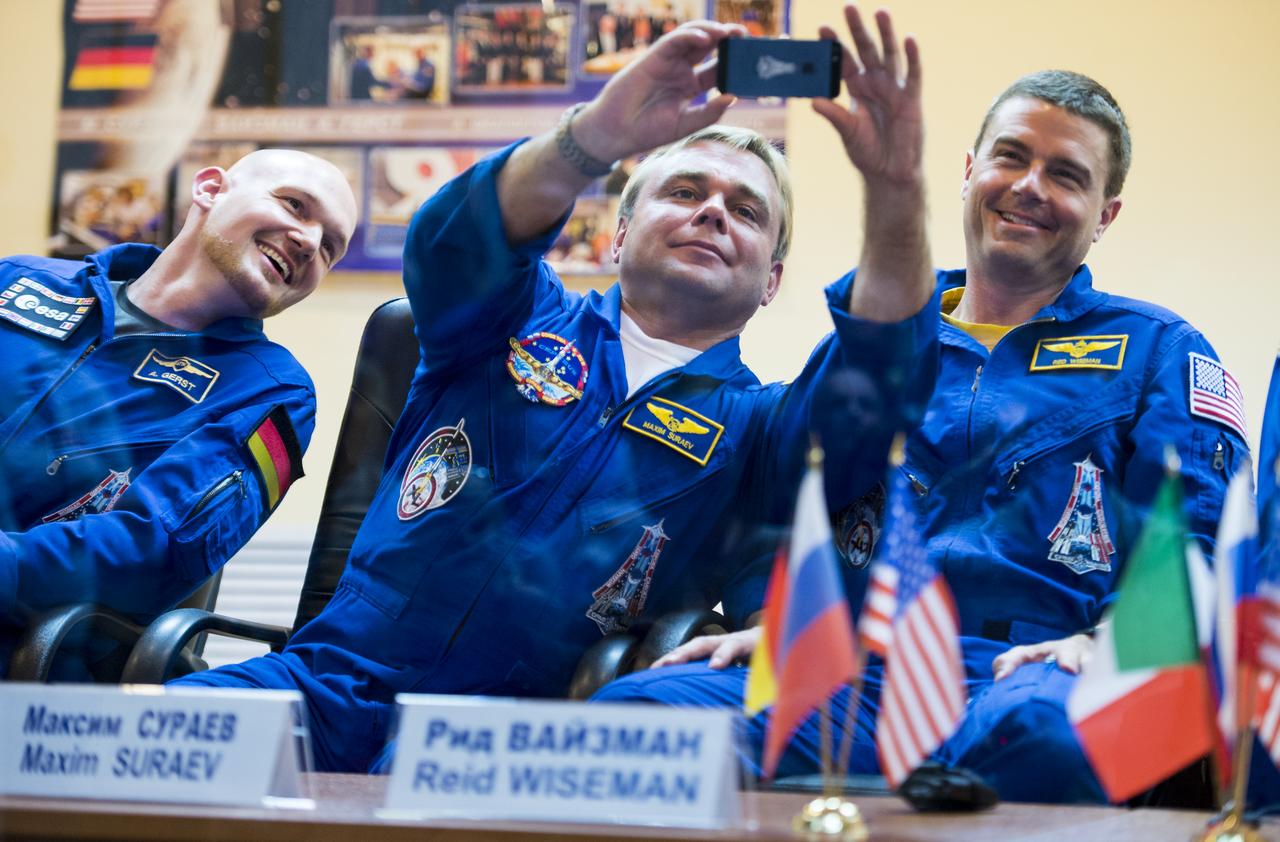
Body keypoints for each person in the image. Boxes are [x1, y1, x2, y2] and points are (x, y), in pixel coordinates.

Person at [170, 9, 938, 776]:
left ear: (771, 281)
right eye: (685, 192)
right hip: (319, 688)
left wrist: (896, 186)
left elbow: (878, 381)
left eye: (746, 211)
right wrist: (596, 136)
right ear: (617, 234)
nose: (711, 211)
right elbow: (454, 239)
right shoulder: (511, 318)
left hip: (507, 744)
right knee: (135, 758)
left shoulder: (761, 430)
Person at [594, 56, 1250, 803]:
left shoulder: (1159, 349)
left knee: (1049, 743)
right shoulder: (881, 335)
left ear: (1105, 216)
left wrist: (1111, 645)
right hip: (857, 672)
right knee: (638, 725)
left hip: (1039, 672)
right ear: (970, 172)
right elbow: (782, 502)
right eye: (1011, 156)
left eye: (1067, 175)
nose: (1030, 185)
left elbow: (1197, 544)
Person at [0, 149, 358, 677]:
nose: (309, 242)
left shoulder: (272, 396)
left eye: (330, 247)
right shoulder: (20, 281)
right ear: (211, 190)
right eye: (294, 205)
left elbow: (149, 553)